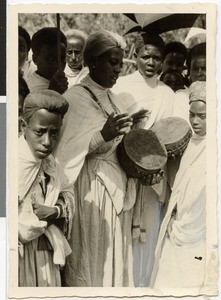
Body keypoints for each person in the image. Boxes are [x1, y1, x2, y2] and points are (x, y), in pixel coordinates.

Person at [55, 30, 136, 287]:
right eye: (113, 62)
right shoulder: (74, 98)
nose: (118, 70)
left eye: (120, 64)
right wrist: (102, 135)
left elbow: (123, 146)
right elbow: (64, 153)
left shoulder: (116, 99)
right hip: (90, 192)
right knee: (92, 259)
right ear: (93, 62)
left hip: (115, 189)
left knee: (114, 257)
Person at [113, 32, 175, 287]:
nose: (151, 62)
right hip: (122, 169)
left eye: (157, 58)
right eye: (145, 56)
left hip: (152, 175)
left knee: (148, 232)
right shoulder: (120, 86)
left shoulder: (167, 93)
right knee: (122, 234)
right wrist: (133, 124)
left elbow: (169, 134)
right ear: (135, 56)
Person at [151, 81, 207, 293]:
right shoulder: (189, 142)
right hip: (179, 222)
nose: (195, 121)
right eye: (192, 114)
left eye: (202, 116)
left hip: (201, 227)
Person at [18, 90, 74, 287]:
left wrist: (55, 210)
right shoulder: (11, 163)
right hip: (18, 258)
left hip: (46, 255)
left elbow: (67, 191)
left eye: (54, 133)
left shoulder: (51, 163)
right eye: (40, 132)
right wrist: (38, 221)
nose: (47, 142)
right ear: (23, 126)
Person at [26, 27, 68, 94]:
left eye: (62, 59)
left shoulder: (63, 84)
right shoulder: (29, 90)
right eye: (51, 59)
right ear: (35, 59)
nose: (58, 66)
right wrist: (53, 92)